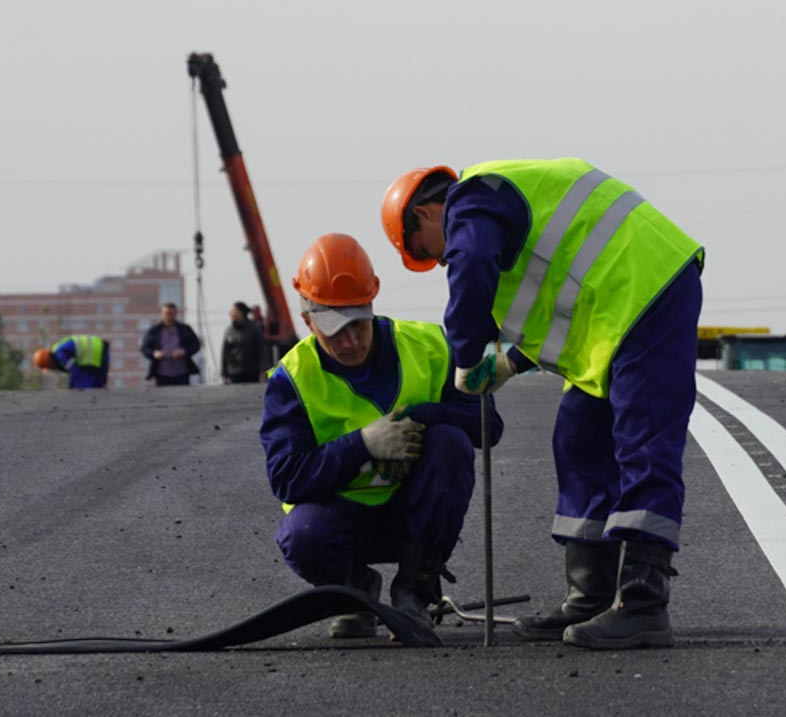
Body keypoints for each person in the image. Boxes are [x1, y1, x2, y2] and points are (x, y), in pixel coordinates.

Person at [381, 159, 703, 650]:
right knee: (579, 437)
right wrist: (509, 362)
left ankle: (643, 604)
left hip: (649, 289)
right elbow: (556, 306)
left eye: (429, 253)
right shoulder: (498, 212)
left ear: (425, 215)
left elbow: (472, 264)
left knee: (644, 438)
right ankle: (590, 596)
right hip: (612, 312)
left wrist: (466, 353)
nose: (441, 262)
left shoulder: (473, 197)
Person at [260, 233, 503, 638]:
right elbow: (286, 478)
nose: (351, 340)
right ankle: (354, 593)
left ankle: (414, 592)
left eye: (359, 324)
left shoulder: (428, 346)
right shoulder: (292, 381)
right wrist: (363, 444)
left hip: (417, 518)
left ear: (372, 303)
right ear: (308, 321)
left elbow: (488, 426)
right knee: (301, 537)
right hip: (342, 521)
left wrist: (423, 416)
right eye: (336, 330)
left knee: (450, 442)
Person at [139, 302, 202, 386]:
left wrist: (184, 351)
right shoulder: (154, 331)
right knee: (163, 394)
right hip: (162, 374)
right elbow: (144, 348)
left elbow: (196, 345)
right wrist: (154, 353)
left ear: (176, 314)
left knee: (183, 394)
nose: (169, 317)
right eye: (166, 314)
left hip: (182, 373)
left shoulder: (185, 329)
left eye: (171, 314)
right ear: (162, 314)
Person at [33, 335, 110, 390]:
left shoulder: (59, 353)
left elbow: (75, 371)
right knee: (98, 387)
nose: (51, 368)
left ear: (48, 362)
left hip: (90, 354)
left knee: (84, 387)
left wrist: (72, 387)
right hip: (101, 347)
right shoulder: (57, 348)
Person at [221, 301, 265, 384]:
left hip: (251, 372)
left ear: (240, 313)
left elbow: (261, 351)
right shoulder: (229, 331)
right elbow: (225, 353)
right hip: (234, 373)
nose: (231, 313)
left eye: (233, 311)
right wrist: (224, 373)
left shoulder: (254, 329)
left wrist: (262, 369)